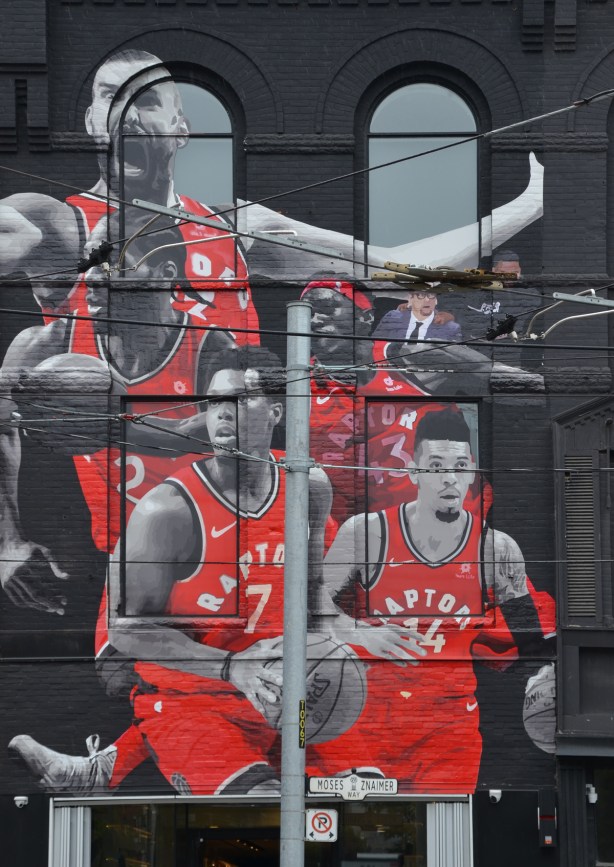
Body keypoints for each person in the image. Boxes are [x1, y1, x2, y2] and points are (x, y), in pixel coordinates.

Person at [10, 346, 333, 796]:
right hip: (150, 583)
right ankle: (112, 765)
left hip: (212, 575)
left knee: (252, 661)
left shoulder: (305, 478)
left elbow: (315, 591)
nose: (223, 411)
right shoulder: (168, 502)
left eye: (238, 400)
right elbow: (178, 433)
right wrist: (89, 420)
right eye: (215, 402)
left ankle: (102, 770)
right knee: (168, 674)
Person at [307, 406, 554, 793]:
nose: (449, 478)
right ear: (414, 471)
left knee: (448, 823)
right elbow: (309, 605)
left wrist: (543, 679)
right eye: (436, 466)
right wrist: (356, 631)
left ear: (471, 473)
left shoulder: (497, 549)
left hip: (449, 726)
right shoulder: (367, 533)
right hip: (367, 720)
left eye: (460, 467)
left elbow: (529, 641)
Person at [0, 212, 236, 609]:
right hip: (110, 559)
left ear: (164, 273)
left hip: (205, 555)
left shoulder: (213, 351)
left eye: (111, 263)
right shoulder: (50, 342)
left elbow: (228, 433)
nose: (92, 277)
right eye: (89, 262)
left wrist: (114, 425)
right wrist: (7, 542)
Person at [372, 289, 462, 343]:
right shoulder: (392, 317)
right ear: (410, 298)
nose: (427, 300)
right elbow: (375, 346)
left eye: (431, 295)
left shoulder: (451, 328)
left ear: (436, 300)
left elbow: (457, 360)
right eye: (421, 295)